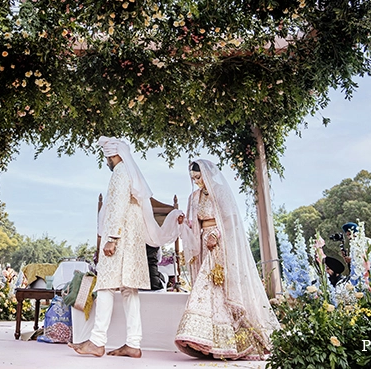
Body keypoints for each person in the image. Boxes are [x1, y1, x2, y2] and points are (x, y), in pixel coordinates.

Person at [71, 137, 181, 358]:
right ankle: (133, 343)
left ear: (113, 155)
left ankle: (97, 341)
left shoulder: (120, 173)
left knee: (105, 287)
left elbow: (117, 206)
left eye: (107, 157)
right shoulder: (131, 173)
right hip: (131, 241)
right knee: (129, 291)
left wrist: (112, 238)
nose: (107, 161)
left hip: (119, 240)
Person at [175, 159, 278, 359]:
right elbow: (194, 224)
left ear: (207, 174)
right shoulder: (194, 197)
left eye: (199, 177)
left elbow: (230, 219)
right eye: (193, 178)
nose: (196, 181)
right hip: (203, 244)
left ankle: (230, 341)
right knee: (207, 289)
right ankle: (206, 341)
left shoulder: (220, 192)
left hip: (219, 244)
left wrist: (216, 235)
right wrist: (183, 222)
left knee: (217, 287)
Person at [342, 222, 371, 286]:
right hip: (358, 279)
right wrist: (349, 260)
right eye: (348, 235)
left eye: (351, 234)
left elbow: (369, 261)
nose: (350, 237)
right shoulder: (353, 246)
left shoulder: (368, 242)